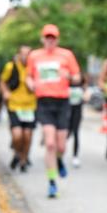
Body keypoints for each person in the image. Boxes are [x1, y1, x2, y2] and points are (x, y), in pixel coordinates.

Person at [26, 25, 81, 198]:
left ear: (57, 39)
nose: (50, 40)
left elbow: (78, 76)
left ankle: (59, 159)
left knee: (62, 146)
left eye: (53, 38)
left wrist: (69, 76)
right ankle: (52, 182)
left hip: (62, 102)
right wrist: (30, 83)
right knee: (50, 143)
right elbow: (28, 75)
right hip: (44, 102)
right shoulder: (34, 56)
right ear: (42, 39)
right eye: (47, 37)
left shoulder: (67, 55)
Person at [0, 45, 38, 172]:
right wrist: (5, 92)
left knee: (27, 135)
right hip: (14, 105)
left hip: (30, 106)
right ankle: (17, 152)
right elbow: (2, 81)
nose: (26, 56)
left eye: (28, 54)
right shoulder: (10, 67)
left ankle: (23, 159)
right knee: (17, 135)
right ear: (18, 54)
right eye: (23, 53)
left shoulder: (34, 68)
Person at [68, 73, 87, 168]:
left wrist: (85, 95)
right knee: (66, 134)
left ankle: (75, 156)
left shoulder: (82, 87)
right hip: (66, 112)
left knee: (76, 133)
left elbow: (86, 98)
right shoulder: (66, 85)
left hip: (77, 112)